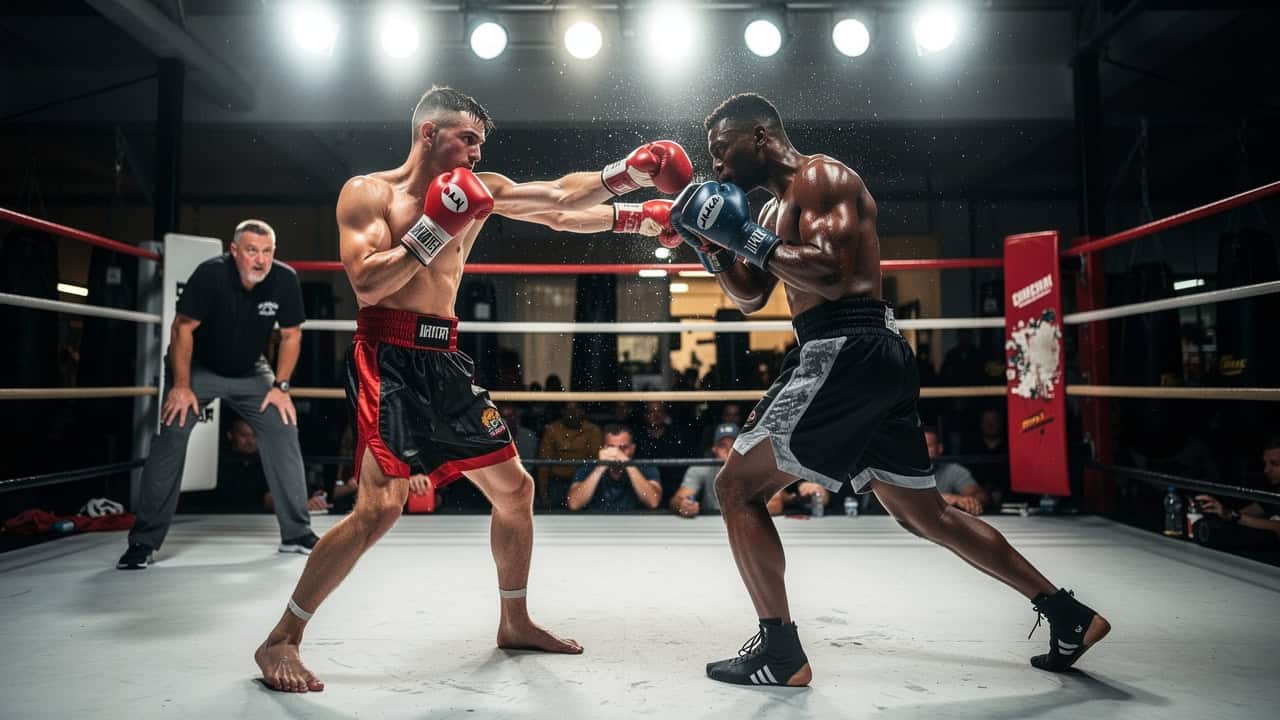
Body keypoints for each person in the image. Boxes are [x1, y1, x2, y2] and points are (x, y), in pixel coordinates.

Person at [254, 86, 691, 692]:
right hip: (389, 355)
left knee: (516, 490)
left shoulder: (478, 190)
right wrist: (436, 226)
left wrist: (633, 187)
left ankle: (514, 621)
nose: (478, 154)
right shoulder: (368, 193)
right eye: (468, 139)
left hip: (444, 354)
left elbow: (562, 203)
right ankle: (280, 640)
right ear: (429, 134)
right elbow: (368, 285)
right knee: (380, 508)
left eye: (482, 143)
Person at [669, 93, 1108, 687]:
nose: (716, 168)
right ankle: (1067, 615)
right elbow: (752, 295)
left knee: (737, 488)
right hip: (857, 353)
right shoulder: (770, 213)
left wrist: (741, 235)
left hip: (844, 347)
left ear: (760, 137)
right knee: (925, 513)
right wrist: (710, 244)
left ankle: (779, 652)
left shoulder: (821, 177)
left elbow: (834, 274)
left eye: (722, 152)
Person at [117, 219, 317, 570]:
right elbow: (182, 329)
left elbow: (291, 336)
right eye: (252, 251)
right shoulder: (210, 275)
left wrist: (281, 386)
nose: (260, 260)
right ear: (234, 250)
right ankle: (144, 542)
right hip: (198, 368)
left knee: (282, 425)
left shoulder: (284, 279)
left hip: (250, 371)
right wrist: (180, 385)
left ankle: (297, 534)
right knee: (172, 433)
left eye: (267, 251)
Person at [1193, 434, 1280, 549]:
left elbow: (1277, 528)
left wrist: (1231, 515)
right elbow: (1244, 514)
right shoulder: (1274, 491)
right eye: (1265, 463)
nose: (1266, 470)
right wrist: (1217, 511)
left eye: (1275, 464)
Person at [566, 425, 662, 512]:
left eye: (623, 448)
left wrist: (628, 464)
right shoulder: (588, 467)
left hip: (634, 525)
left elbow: (653, 502)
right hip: (597, 524)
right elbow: (574, 504)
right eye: (611, 447)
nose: (616, 453)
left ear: (632, 449)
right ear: (603, 448)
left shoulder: (645, 466)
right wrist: (600, 468)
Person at [536, 402, 604, 509]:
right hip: (557, 483)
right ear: (562, 411)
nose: (572, 413)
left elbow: (595, 461)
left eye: (576, 409)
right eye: (568, 409)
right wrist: (543, 495)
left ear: (583, 411)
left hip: (583, 482)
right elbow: (544, 464)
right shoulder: (552, 429)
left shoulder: (593, 430)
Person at [670, 423, 738, 518]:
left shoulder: (752, 471)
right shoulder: (701, 469)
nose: (728, 450)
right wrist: (683, 505)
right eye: (722, 446)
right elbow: (676, 500)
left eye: (733, 445)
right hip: (711, 524)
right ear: (714, 449)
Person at [924, 425, 990, 516]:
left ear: (939, 448)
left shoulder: (952, 470)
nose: (922, 451)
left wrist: (966, 500)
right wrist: (942, 499)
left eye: (928, 445)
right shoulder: (903, 471)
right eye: (918, 447)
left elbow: (981, 496)